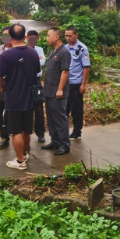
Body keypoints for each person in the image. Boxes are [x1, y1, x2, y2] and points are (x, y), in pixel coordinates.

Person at [0, 24, 41, 170]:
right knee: (26, 129)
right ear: (25, 36)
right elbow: (37, 72)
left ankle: (20, 161)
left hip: (13, 96)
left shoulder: (6, 54)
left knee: (15, 131)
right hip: (29, 96)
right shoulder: (33, 53)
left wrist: (2, 88)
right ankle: (24, 154)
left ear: (11, 37)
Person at [41, 27, 71, 155]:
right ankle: (55, 141)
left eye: (48, 35)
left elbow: (65, 72)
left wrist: (60, 89)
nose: (47, 38)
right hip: (49, 91)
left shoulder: (64, 52)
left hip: (57, 92)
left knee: (60, 119)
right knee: (51, 119)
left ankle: (65, 145)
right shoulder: (53, 51)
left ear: (56, 37)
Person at [64, 26, 90, 140]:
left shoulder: (82, 48)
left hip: (76, 83)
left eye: (70, 36)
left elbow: (86, 67)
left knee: (76, 109)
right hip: (65, 83)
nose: (68, 38)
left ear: (76, 35)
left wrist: (83, 84)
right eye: (66, 36)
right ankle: (64, 131)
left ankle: (77, 131)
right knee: (65, 108)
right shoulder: (64, 48)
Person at [26, 30, 46, 143]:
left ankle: (40, 133)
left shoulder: (40, 50)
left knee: (38, 107)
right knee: (26, 108)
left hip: (37, 81)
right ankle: (27, 132)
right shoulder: (23, 49)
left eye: (35, 38)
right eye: (31, 38)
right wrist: (36, 60)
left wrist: (31, 61)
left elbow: (42, 63)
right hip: (25, 81)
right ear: (26, 38)